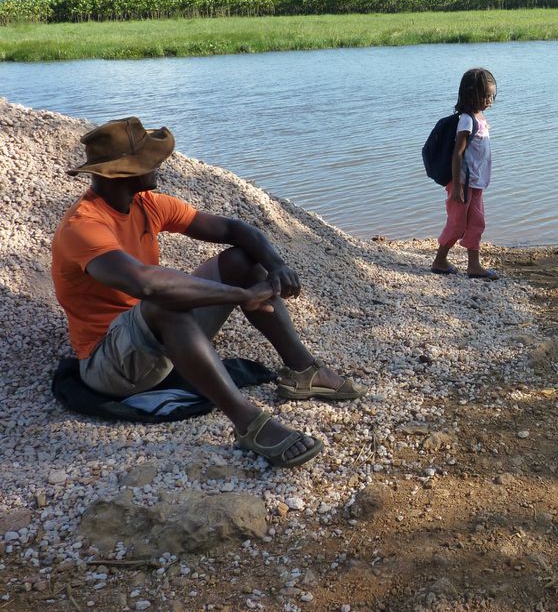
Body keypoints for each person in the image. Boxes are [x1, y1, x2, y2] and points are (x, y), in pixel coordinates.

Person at [51, 117, 364, 468]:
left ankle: (304, 371)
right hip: (109, 364)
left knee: (242, 262)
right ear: (123, 171)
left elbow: (234, 228)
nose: (161, 164)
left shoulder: (146, 205)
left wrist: (275, 265)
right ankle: (249, 424)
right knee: (165, 300)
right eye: (150, 160)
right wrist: (240, 297)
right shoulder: (84, 227)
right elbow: (146, 284)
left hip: (151, 337)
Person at [431, 68, 499, 280]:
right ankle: (440, 260)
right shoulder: (467, 120)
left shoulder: (480, 118)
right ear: (470, 95)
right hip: (463, 184)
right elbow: (457, 154)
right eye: (485, 96)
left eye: (492, 96)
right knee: (457, 223)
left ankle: (473, 265)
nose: (489, 100)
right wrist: (458, 186)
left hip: (476, 184)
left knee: (477, 223)